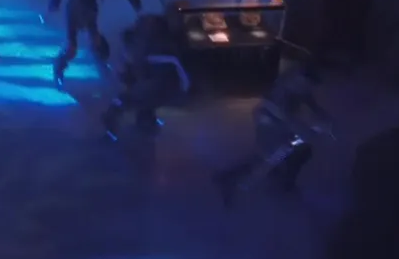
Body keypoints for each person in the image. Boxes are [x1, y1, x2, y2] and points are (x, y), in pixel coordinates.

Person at [214, 46, 333, 206]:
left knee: (288, 153)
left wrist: (319, 113)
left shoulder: (301, 79)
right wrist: (305, 129)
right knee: (271, 156)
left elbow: (306, 97)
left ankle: (276, 181)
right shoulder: (288, 86)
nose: (313, 86)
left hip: (277, 121)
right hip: (269, 122)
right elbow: (282, 113)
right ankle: (233, 181)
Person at [49, 0, 141, 85]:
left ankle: (101, 63)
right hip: (74, 10)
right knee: (72, 46)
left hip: (90, 10)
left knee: (95, 40)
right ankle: (59, 67)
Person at [102, 13, 191, 139]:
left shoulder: (160, 56)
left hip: (163, 89)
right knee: (131, 100)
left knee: (125, 101)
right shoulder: (142, 55)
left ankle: (117, 132)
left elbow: (178, 76)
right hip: (157, 90)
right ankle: (138, 125)